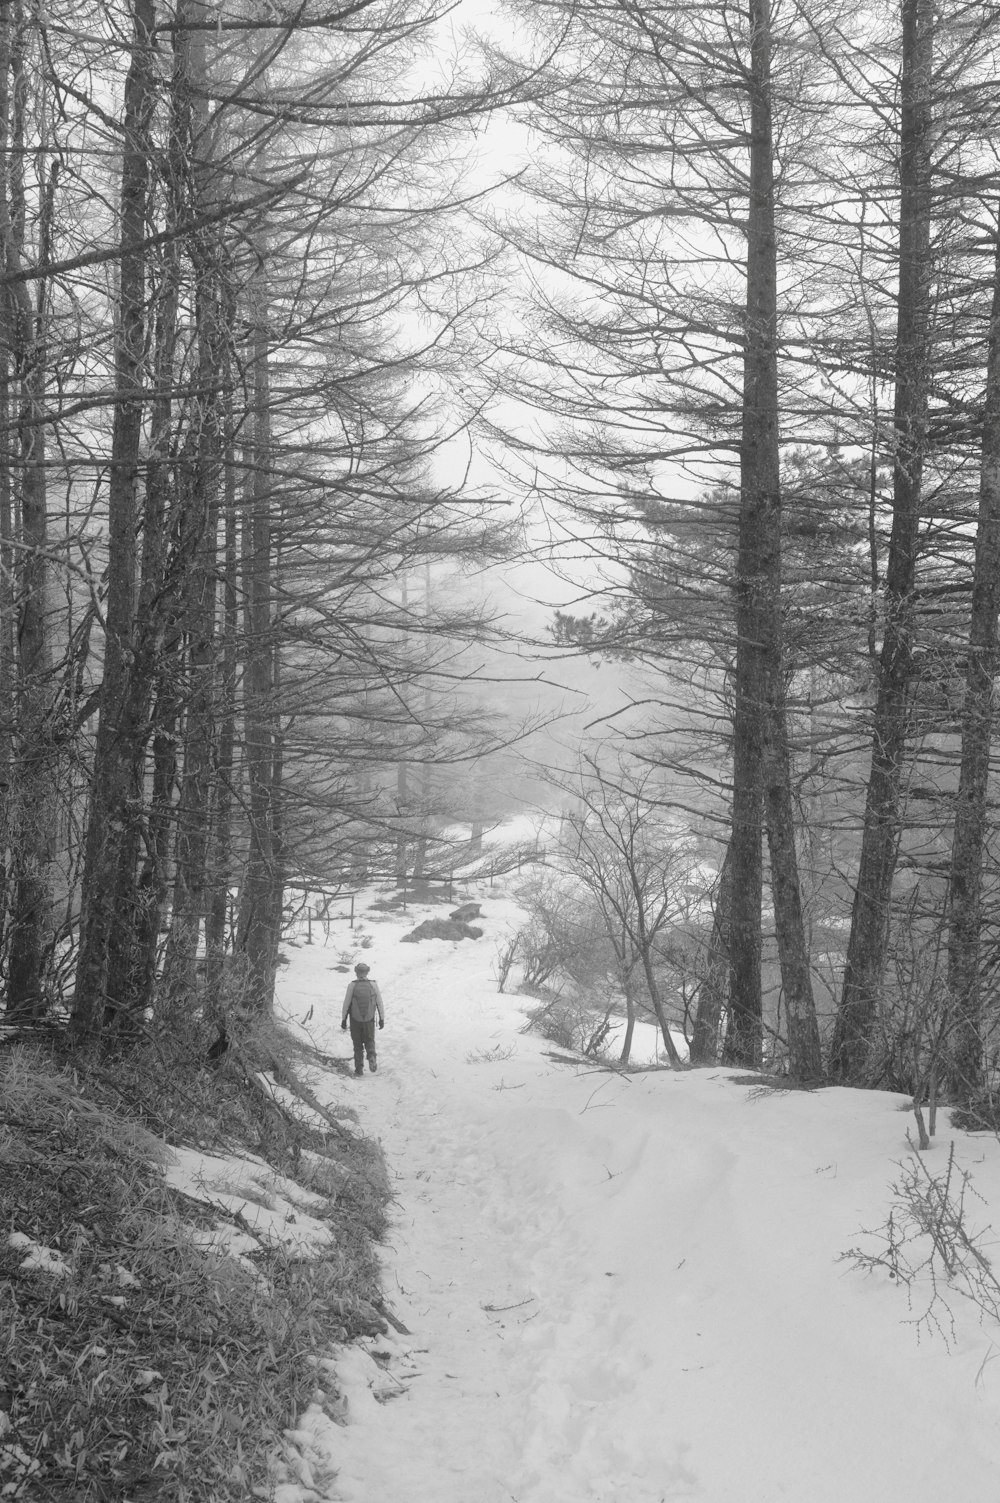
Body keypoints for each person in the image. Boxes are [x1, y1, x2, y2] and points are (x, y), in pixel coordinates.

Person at [341, 962, 385, 1076]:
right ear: (367, 972)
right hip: (369, 1020)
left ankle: (359, 1069)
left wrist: (343, 1020)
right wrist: (381, 1019)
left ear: (356, 972)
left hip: (355, 1020)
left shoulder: (352, 985)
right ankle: (371, 1056)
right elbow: (379, 1003)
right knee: (370, 1040)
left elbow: (346, 1004)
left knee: (357, 1044)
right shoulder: (373, 985)